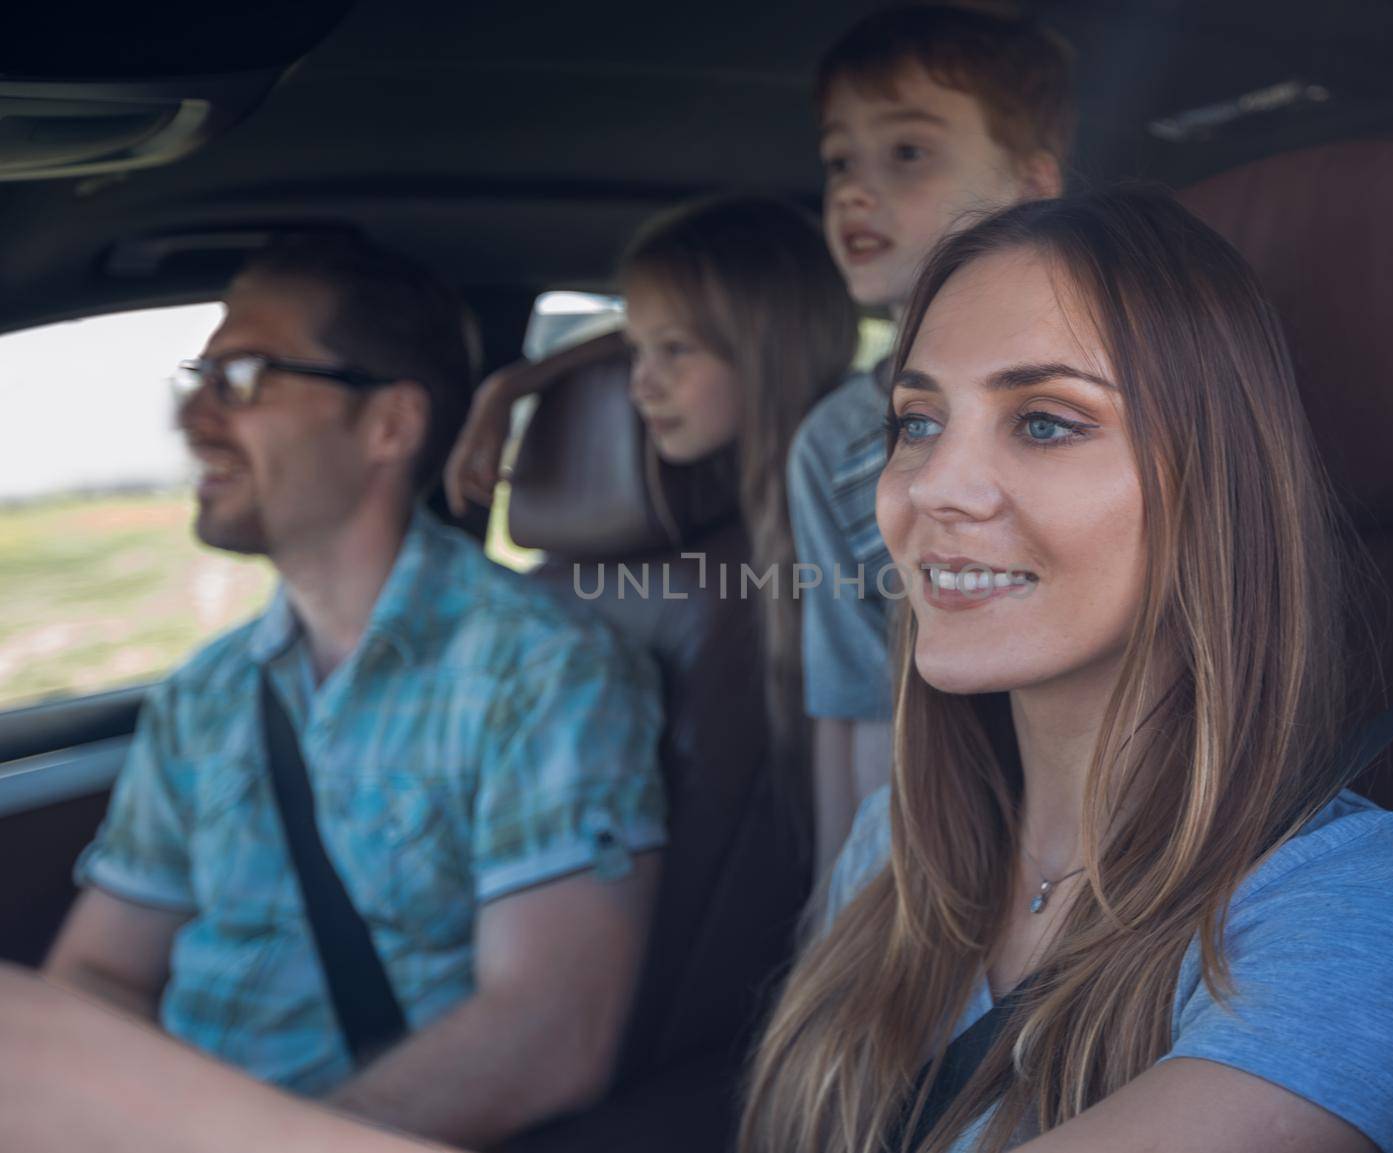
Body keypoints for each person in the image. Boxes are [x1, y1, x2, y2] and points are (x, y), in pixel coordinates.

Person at [739, 189, 1393, 1153]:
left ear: (1214, 480)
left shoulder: (1365, 918)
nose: (930, 486)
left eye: (1047, 422)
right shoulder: (893, 846)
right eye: (918, 422)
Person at [40, 238, 669, 1148]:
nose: (194, 418)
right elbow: (96, 970)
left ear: (388, 426)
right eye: (200, 377)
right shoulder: (206, 693)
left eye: (243, 376)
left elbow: (548, 1032)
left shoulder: (540, 671)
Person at [448, 194, 859, 837]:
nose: (640, 384)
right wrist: (512, 385)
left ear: (766, 351)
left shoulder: (842, 525)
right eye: (634, 351)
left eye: (674, 352)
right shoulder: (659, 565)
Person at [788, 3, 1076, 872]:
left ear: (1029, 186)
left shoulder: (1108, 387)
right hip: (924, 839)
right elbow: (850, 701)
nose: (852, 189)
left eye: (907, 152)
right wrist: (847, 914)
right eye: (839, 160)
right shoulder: (833, 439)